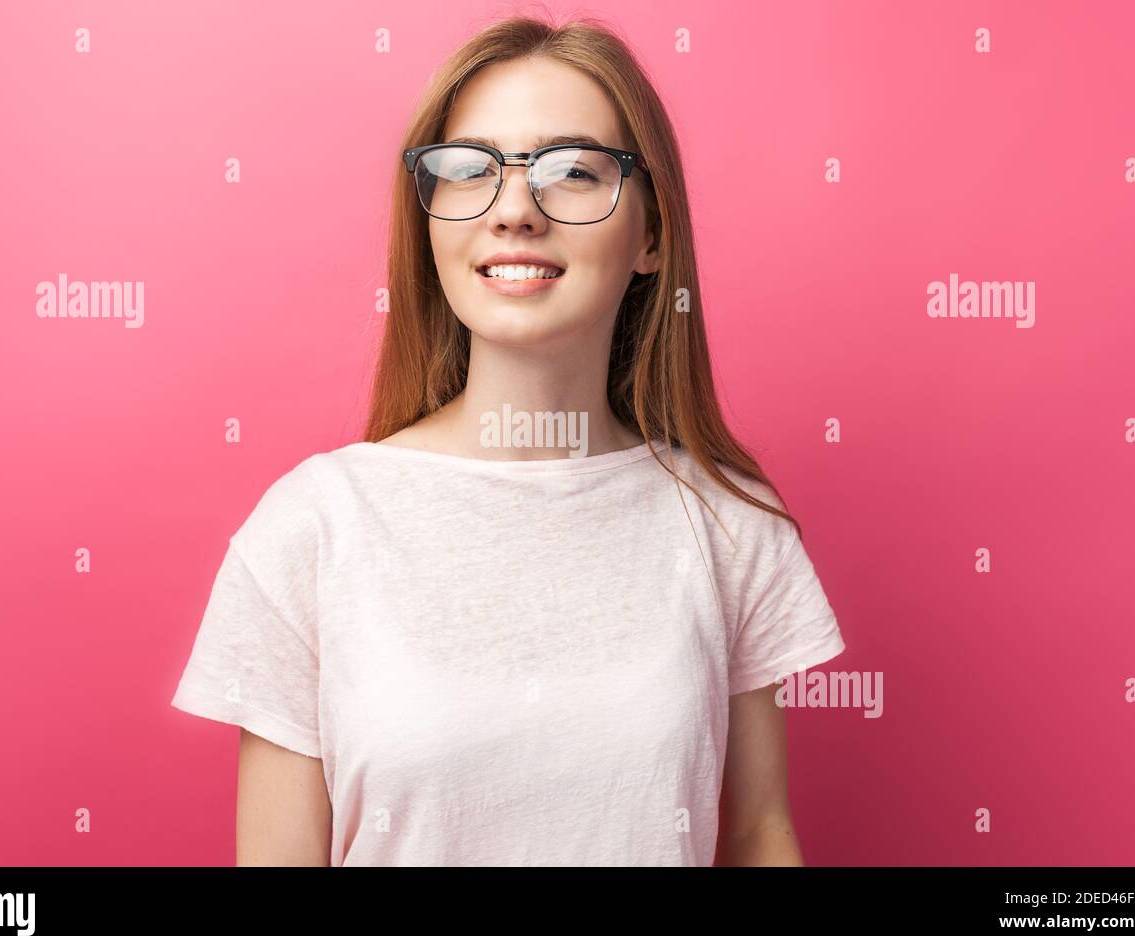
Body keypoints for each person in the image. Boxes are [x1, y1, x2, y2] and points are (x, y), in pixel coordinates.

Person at [171, 12, 845, 866]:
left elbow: (757, 832)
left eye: (572, 171)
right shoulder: (313, 528)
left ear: (652, 234)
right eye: (467, 170)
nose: (514, 210)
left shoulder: (725, 523)